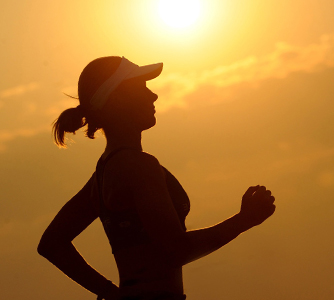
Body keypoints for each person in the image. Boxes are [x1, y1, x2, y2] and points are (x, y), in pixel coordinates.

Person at [37, 56, 276, 300]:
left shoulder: (104, 172)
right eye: (141, 87)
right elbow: (175, 250)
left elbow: (52, 244)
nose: (153, 96)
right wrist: (244, 220)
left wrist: (112, 294)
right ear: (116, 99)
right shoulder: (139, 166)